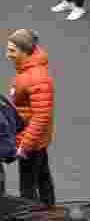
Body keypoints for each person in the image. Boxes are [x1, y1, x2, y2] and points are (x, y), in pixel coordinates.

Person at [5, 30, 55, 206]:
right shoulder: (29, 70)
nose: (7, 55)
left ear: (25, 52)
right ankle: (50, 211)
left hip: (30, 142)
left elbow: (41, 117)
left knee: (27, 189)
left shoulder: (35, 78)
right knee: (42, 177)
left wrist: (23, 146)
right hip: (36, 140)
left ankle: (33, 216)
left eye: (12, 51)